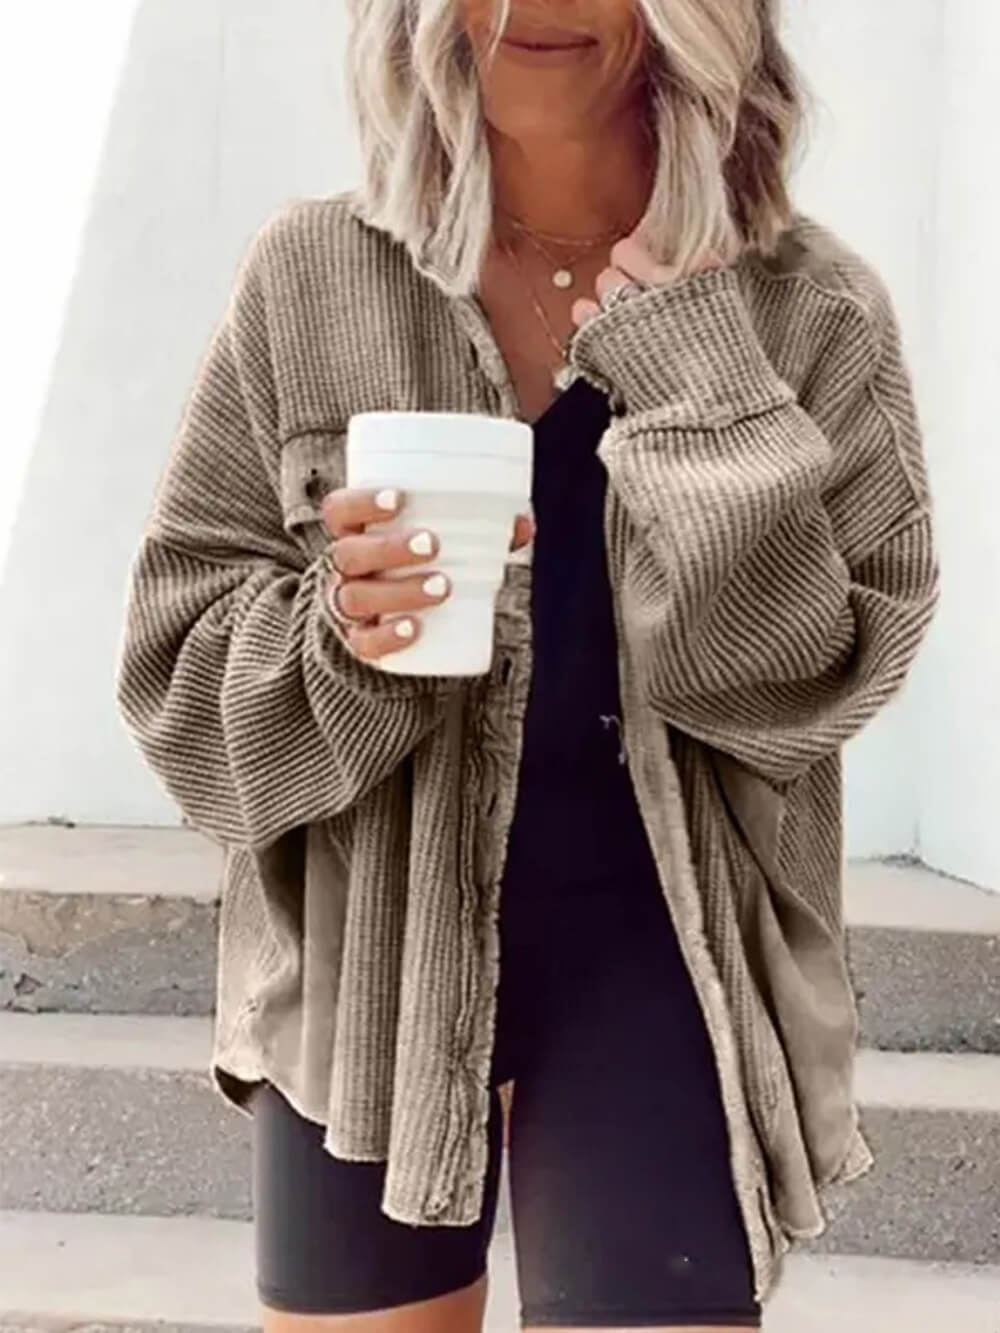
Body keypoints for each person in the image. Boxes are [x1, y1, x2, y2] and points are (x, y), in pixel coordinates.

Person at [116, 0, 940, 1329]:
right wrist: (346, 642)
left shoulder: (810, 308)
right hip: (370, 961)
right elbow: (177, 677)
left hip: (669, 953)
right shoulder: (316, 275)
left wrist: (700, 382)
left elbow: (808, 687)